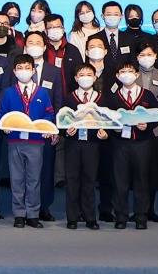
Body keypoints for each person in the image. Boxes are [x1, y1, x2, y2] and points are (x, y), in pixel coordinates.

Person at [0, 55, 56, 229]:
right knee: (16, 179)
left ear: (33, 70)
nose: (23, 71)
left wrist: (46, 127)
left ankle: (33, 214)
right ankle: (19, 214)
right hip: (15, 141)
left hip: (36, 142)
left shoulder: (42, 92)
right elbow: (2, 113)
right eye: (20, 68)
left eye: (27, 68)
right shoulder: (8, 92)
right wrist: (4, 125)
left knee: (34, 179)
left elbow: (49, 113)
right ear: (14, 71)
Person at [106, 61, 158, 229]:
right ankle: (120, 216)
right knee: (119, 180)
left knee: (141, 179)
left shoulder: (147, 95)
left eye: (130, 71)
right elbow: (107, 120)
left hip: (142, 143)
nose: (127, 74)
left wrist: (148, 125)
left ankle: (141, 216)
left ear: (137, 74)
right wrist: (114, 129)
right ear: (117, 76)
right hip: (120, 144)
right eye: (123, 71)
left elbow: (156, 115)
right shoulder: (112, 97)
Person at [59, 63, 105, 230]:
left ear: (95, 77)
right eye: (81, 74)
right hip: (73, 144)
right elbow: (61, 122)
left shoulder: (101, 98)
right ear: (76, 78)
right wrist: (66, 131)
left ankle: (90, 217)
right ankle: (72, 217)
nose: (85, 77)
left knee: (89, 180)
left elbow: (109, 121)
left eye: (89, 74)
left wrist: (105, 133)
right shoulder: (69, 98)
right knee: (72, 180)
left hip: (92, 145)